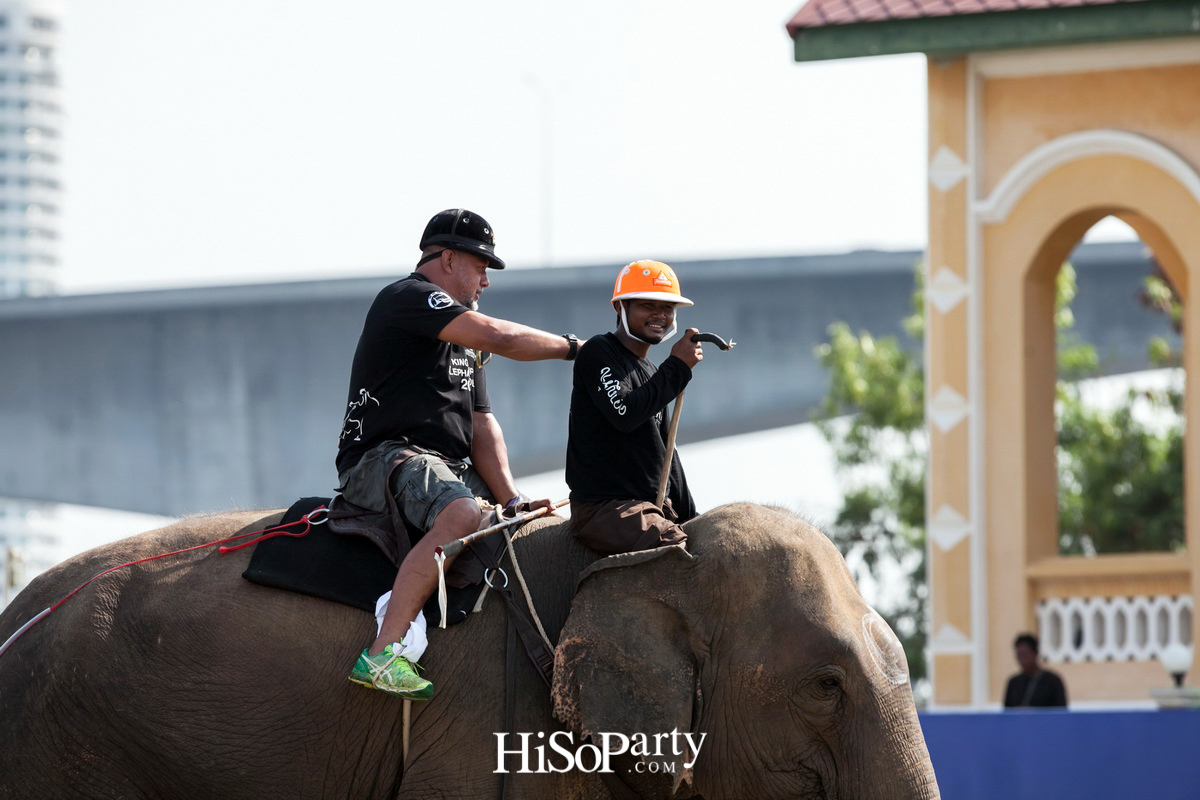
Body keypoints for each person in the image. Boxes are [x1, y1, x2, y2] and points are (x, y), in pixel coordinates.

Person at [339, 208, 580, 699]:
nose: (486, 280)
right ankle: (382, 654)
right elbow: (500, 336)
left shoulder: (462, 341)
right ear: (446, 258)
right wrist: (578, 349)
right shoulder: (407, 298)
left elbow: (481, 423)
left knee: (528, 525)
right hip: (386, 458)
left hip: (445, 464)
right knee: (462, 512)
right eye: (481, 265)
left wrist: (512, 499)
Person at [564, 259, 705, 555]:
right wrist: (678, 366)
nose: (660, 315)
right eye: (647, 305)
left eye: (667, 308)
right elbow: (625, 413)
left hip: (650, 507)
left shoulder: (655, 373)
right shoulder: (598, 352)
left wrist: (695, 520)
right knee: (676, 553)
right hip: (606, 508)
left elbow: (668, 456)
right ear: (620, 307)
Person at [1003, 632, 1068, 708]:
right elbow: (1007, 712)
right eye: (1019, 656)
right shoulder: (1013, 682)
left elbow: (1060, 711)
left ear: (1035, 653)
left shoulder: (1053, 681)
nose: (1022, 661)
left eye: (1025, 655)